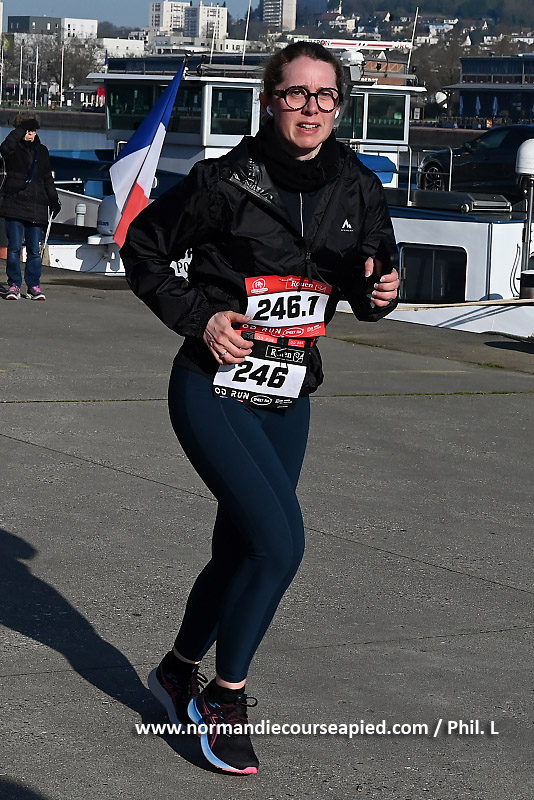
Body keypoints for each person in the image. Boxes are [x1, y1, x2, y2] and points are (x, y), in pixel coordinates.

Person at [120, 42, 400, 775]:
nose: (311, 108)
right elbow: (142, 246)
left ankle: (177, 669)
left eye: (325, 96)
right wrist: (200, 317)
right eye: (296, 94)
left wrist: (380, 293)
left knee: (243, 547)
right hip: (214, 383)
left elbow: (370, 282)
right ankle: (224, 698)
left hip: (289, 394)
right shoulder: (223, 181)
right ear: (271, 100)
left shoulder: (359, 188)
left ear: (340, 106)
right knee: (279, 545)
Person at [0, 113, 61, 301]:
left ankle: (34, 286)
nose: (30, 133)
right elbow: (5, 148)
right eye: (27, 130)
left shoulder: (42, 151)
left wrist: (53, 200)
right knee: (14, 248)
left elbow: (47, 178)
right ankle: (14, 285)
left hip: (37, 207)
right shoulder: (13, 150)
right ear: (20, 130)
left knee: (34, 250)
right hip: (15, 205)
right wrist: (20, 129)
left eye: (33, 130)